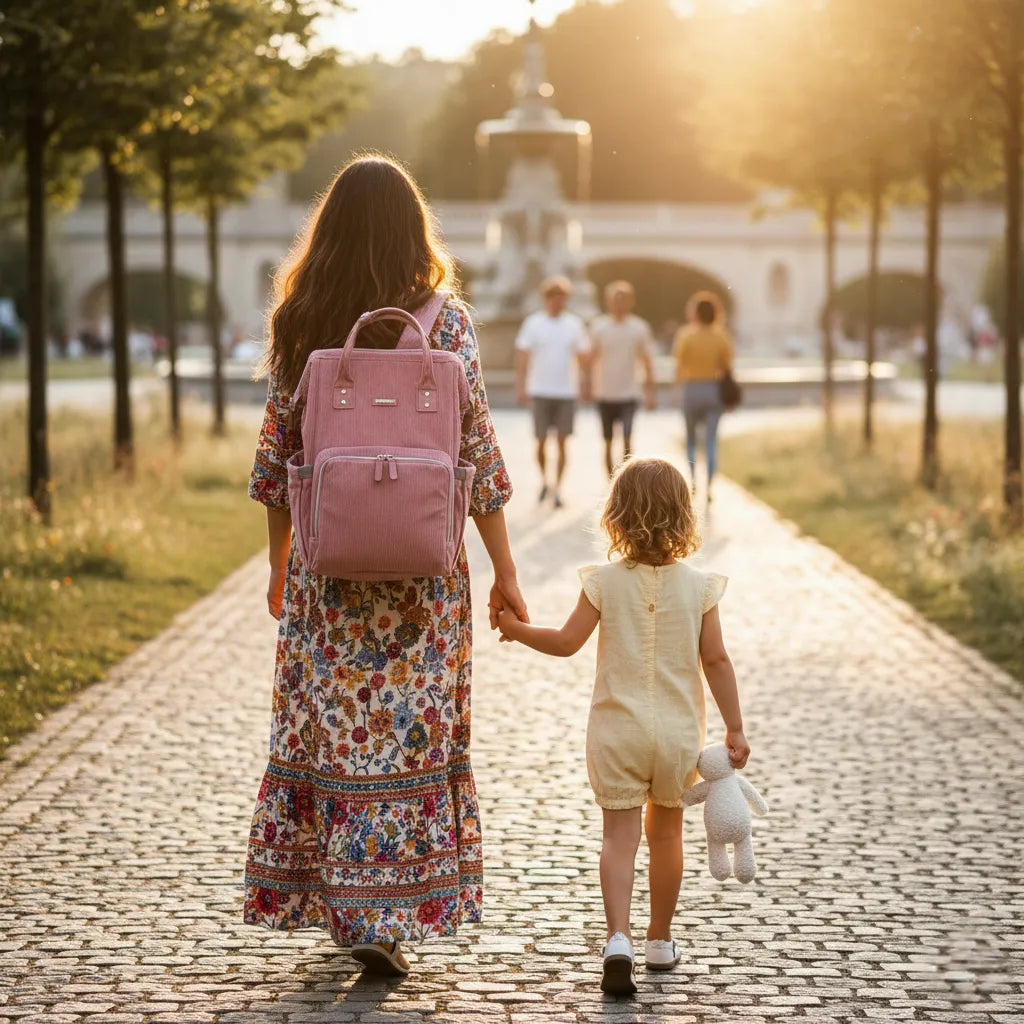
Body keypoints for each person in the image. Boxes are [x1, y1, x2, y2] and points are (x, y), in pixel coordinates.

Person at [245, 155, 529, 976]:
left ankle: (347, 905)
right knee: (409, 741)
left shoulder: (301, 318)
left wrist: (280, 564)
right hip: (423, 584)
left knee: (334, 739)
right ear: (414, 229)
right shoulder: (448, 325)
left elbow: (277, 460)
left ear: (328, 228)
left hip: (328, 580)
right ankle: (387, 912)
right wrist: (505, 570)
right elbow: (478, 456)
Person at [496, 457, 750, 997]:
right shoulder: (700, 588)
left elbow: (566, 642)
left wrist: (516, 630)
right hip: (677, 736)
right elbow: (717, 660)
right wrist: (735, 727)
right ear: (684, 516)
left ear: (616, 516)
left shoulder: (604, 583)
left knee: (618, 838)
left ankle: (618, 939)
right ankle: (660, 939)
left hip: (617, 733)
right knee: (667, 836)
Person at [515, 276, 588, 508]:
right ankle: (544, 481)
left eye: (562, 298)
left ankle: (557, 488)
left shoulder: (574, 324)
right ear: (546, 298)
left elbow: (582, 357)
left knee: (563, 441)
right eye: (555, 297)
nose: (559, 302)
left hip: (566, 391)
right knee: (540, 440)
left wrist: (586, 384)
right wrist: (521, 386)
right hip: (540, 390)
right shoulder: (533, 323)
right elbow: (523, 357)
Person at [588, 280, 657, 476]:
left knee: (627, 440)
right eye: (615, 300)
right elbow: (591, 359)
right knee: (607, 442)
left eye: (623, 299)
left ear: (630, 302)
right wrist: (586, 385)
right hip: (604, 393)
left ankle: (627, 481)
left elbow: (647, 362)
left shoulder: (639, 328)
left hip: (629, 393)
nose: (619, 304)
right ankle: (611, 483)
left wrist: (650, 393)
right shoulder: (599, 327)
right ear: (607, 302)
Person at [672, 292, 734, 500]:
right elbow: (727, 368)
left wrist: (676, 390)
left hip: (691, 389)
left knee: (690, 440)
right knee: (710, 441)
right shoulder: (721, 336)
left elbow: (679, 365)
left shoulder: (686, 335)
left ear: (696, 313)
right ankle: (709, 487)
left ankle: (692, 482)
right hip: (713, 390)